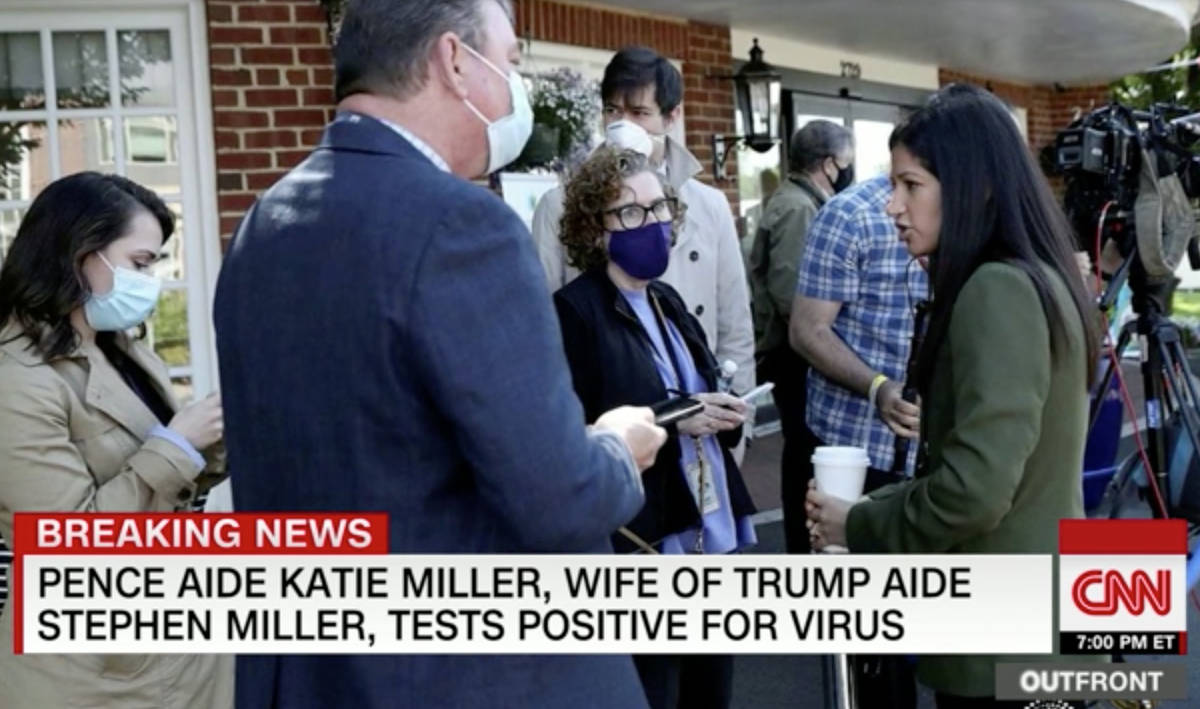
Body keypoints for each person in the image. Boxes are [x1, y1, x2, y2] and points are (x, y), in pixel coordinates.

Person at [213, 2, 667, 707]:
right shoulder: (461, 225)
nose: (517, 89)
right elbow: (558, 495)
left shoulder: (262, 222)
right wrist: (613, 447)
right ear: (456, 62)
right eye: (512, 62)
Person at [806, 84, 1101, 708]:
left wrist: (859, 521)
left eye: (911, 186)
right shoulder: (1039, 278)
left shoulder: (998, 289)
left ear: (975, 187)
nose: (892, 206)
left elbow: (976, 490)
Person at [0, 172, 231, 708]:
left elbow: (175, 475)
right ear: (80, 253)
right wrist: (179, 444)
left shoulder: (117, 346)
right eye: (140, 263)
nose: (151, 280)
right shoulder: (16, 378)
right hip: (93, 671)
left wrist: (219, 434)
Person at [553, 147, 756, 709]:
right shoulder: (574, 311)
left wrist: (724, 413)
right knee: (656, 692)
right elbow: (576, 431)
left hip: (706, 526)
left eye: (660, 207)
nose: (654, 224)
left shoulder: (666, 299)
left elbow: (696, 386)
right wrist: (677, 417)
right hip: (645, 538)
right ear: (597, 229)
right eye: (632, 212)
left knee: (712, 690)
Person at [532, 46, 756, 404]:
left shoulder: (709, 206)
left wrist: (738, 415)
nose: (623, 125)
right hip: (608, 414)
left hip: (703, 408)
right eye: (612, 111)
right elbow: (540, 323)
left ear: (672, 117)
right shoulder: (558, 204)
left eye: (639, 113)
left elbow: (735, 323)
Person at [747, 119, 854, 554]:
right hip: (792, 356)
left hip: (792, 352)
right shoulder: (797, 209)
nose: (847, 171)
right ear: (829, 164)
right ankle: (802, 547)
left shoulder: (800, 202)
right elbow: (794, 297)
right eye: (845, 163)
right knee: (805, 455)